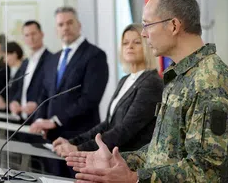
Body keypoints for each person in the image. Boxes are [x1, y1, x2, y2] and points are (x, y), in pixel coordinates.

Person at [66, 0, 228, 183]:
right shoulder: (178, 75)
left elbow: (205, 172)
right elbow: (161, 152)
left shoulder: (210, 80)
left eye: (147, 25)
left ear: (173, 26)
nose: (144, 34)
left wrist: (134, 178)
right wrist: (118, 160)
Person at [52, 23, 163, 157]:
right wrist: (73, 142)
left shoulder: (151, 82)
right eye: (125, 43)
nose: (130, 47)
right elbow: (107, 124)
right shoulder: (125, 80)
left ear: (148, 46)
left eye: (137, 42)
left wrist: (79, 149)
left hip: (132, 162)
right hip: (114, 157)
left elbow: (125, 129)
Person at [29, 6, 109, 142]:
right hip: (51, 136)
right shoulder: (52, 59)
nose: (65, 28)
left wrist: (56, 120)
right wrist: (40, 120)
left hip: (80, 137)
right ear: (56, 30)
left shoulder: (95, 55)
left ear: (79, 25)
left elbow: (90, 98)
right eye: (61, 24)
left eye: (70, 23)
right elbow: (44, 94)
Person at [9, 20, 52, 121]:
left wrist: (38, 104)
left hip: (41, 120)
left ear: (41, 34)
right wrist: (14, 101)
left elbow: (53, 90)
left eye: (33, 34)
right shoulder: (25, 62)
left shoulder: (52, 59)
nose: (31, 38)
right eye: (27, 35)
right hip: (23, 120)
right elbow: (20, 88)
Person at [0, 41, 27, 110]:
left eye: (6, 56)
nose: (4, 60)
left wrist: (5, 106)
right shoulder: (12, 70)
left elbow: (19, 97)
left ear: (14, 54)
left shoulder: (24, 70)